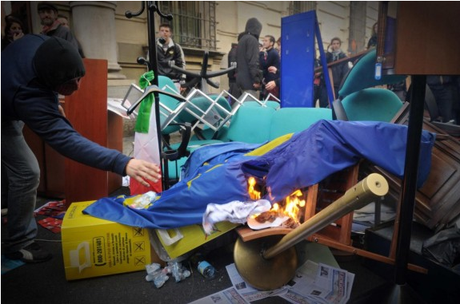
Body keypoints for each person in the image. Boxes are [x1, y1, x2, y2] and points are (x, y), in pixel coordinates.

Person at [1, 35, 162, 263]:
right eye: (69, 83)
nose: (77, 86)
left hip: (11, 88)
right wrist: (123, 163)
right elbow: (68, 142)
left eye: (78, 78)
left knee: (12, 166)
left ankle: (7, 204)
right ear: (48, 80)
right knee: (26, 172)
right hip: (4, 110)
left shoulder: (45, 46)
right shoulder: (28, 96)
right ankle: (18, 244)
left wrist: (51, 100)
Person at [236, 17, 263, 100]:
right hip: (249, 82)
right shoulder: (253, 40)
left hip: (240, 80)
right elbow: (253, 62)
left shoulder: (242, 40)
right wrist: (257, 80)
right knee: (251, 109)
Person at [156, 23, 186, 93]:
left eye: (166, 31)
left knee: (175, 102)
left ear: (170, 33)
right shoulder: (154, 47)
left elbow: (181, 64)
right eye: (162, 30)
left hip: (174, 81)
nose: (164, 33)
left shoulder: (176, 47)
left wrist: (183, 81)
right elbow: (150, 64)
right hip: (159, 80)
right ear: (159, 32)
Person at [325, 37, 350, 103]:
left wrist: (343, 84)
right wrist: (329, 53)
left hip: (339, 84)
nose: (335, 45)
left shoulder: (343, 56)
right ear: (331, 45)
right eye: (334, 44)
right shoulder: (329, 55)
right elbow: (323, 62)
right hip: (328, 84)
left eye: (337, 43)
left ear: (339, 45)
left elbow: (345, 71)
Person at [259, 35, 280, 99]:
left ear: (271, 43)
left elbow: (264, 64)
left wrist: (261, 54)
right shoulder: (267, 52)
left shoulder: (273, 53)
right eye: (263, 40)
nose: (264, 42)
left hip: (272, 82)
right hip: (267, 81)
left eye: (266, 41)